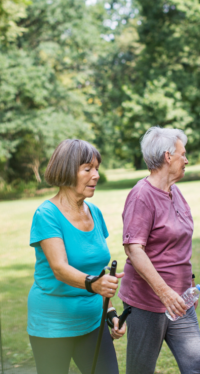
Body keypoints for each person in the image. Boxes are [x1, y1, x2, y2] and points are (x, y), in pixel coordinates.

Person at [27, 139, 126, 374]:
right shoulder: (47, 214)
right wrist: (94, 284)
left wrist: (110, 312)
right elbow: (59, 268)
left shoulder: (95, 212)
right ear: (68, 171)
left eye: (97, 169)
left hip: (92, 320)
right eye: (88, 169)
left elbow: (100, 272)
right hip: (52, 324)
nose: (96, 175)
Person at [118, 126, 200, 374]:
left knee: (197, 367)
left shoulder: (175, 193)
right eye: (183, 154)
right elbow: (133, 249)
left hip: (180, 301)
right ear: (168, 157)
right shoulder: (141, 196)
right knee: (140, 370)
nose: (186, 160)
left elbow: (179, 243)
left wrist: (187, 284)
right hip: (147, 302)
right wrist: (165, 293)